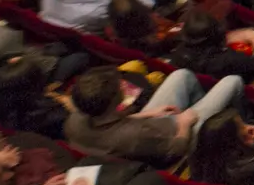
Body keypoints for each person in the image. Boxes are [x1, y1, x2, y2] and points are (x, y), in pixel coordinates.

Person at [66, 65, 243, 166]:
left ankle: (213, 120)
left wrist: (147, 114)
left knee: (182, 75)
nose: (123, 84)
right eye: (119, 85)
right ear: (113, 100)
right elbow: (175, 151)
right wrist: (184, 124)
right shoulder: (135, 136)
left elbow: (109, 125)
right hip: (179, 139)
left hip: (148, 130)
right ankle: (240, 125)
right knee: (233, 81)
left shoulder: (75, 119)